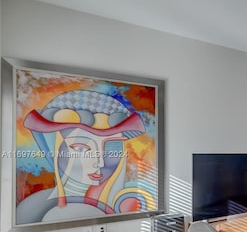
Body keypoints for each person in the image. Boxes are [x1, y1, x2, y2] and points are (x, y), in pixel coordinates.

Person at [16, 90, 152, 224]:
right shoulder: (31, 209)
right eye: (81, 148)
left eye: (111, 149)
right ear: (54, 149)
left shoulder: (127, 202)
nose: (99, 163)